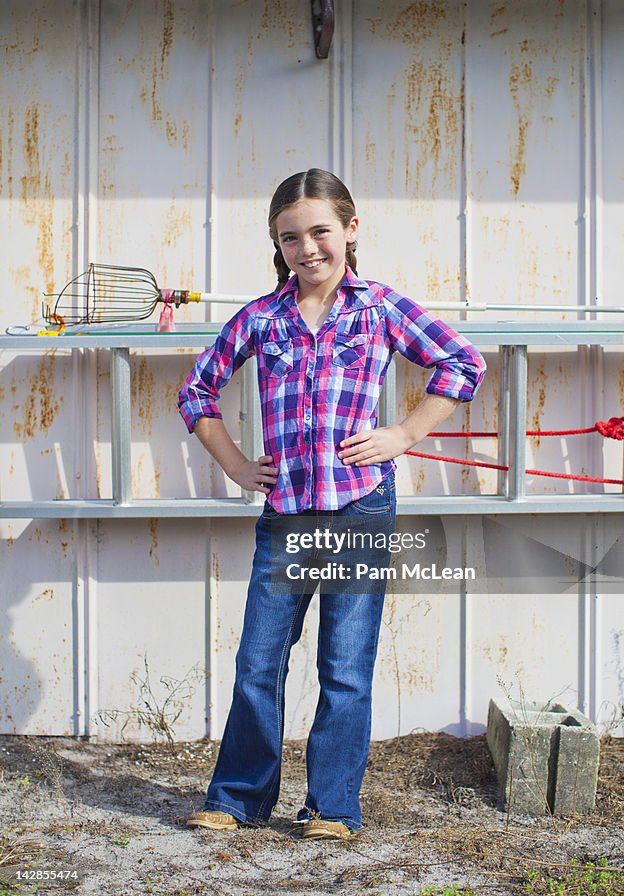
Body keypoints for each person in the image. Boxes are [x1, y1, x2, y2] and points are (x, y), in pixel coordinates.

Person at [178, 168, 486, 840]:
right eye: (290, 237)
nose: (307, 247)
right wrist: (234, 462)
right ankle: (235, 799)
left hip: (359, 508)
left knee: (344, 666)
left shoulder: (378, 308)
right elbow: (196, 392)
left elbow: (461, 364)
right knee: (259, 661)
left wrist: (403, 432)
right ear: (278, 245)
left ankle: (331, 807)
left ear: (350, 229)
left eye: (320, 230)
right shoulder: (261, 318)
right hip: (285, 515)